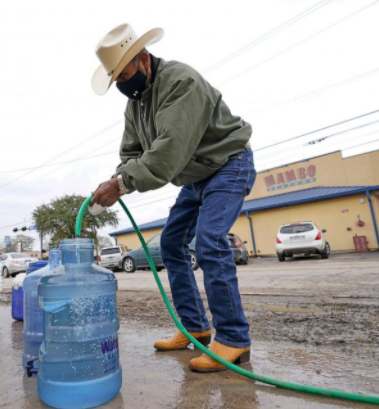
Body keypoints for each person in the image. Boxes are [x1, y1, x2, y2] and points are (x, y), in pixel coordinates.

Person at [90, 24, 256, 373]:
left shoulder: (181, 82)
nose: (122, 83)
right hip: (195, 179)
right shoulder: (136, 105)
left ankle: (235, 340)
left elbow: (167, 155)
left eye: (125, 73)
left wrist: (120, 184)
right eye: (115, 78)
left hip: (228, 164)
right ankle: (195, 327)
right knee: (170, 245)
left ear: (144, 59)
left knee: (209, 241)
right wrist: (119, 177)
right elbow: (130, 153)